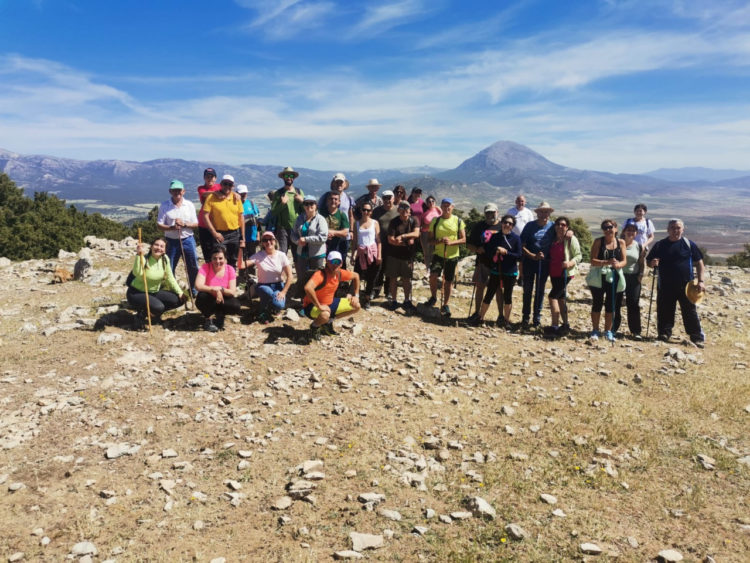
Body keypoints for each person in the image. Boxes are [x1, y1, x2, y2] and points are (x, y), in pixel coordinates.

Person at [646, 218, 706, 347]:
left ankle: (696, 337)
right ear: (668, 230)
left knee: (690, 311)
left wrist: (701, 281)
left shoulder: (689, 244)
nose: (675, 230)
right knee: (664, 310)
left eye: (678, 227)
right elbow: (649, 261)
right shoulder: (660, 245)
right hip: (665, 285)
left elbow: (700, 263)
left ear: (683, 229)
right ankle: (663, 333)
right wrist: (652, 263)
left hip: (687, 286)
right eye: (672, 228)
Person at [471, 213, 522, 327]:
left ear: (512, 226)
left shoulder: (516, 239)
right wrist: (495, 250)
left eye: (510, 223)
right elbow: (488, 251)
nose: (507, 225)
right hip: (496, 270)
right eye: (505, 222)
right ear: (502, 223)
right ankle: (481, 318)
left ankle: (506, 321)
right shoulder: (495, 237)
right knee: (489, 294)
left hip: (510, 271)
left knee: (507, 296)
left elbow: (519, 255)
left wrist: (506, 252)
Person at [126, 237, 186, 329]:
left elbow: (170, 278)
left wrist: (180, 292)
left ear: (165, 250)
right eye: (156, 245)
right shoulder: (144, 258)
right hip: (137, 292)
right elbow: (137, 273)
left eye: (162, 246)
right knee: (159, 307)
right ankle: (140, 316)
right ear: (151, 247)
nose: (159, 248)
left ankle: (153, 314)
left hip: (154, 292)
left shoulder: (165, 259)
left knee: (178, 300)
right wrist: (138, 255)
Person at [303, 251, 361, 340]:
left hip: (330, 303)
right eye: (333, 262)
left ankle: (328, 322)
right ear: (327, 262)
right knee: (325, 314)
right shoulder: (320, 275)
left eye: (338, 262)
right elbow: (308, 288)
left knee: (356, 306)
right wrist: (319, 306)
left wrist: (356, 296)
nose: (335, 265)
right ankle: (314, 327)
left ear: (341, 263)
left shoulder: (339, 273)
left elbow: (356, 276)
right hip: (311, 306)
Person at [424, 198, 466, 317]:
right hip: (438, 254)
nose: (447, 208)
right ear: (441, 207)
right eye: (444, 206)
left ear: (452, 207)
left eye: (449, 206)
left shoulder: (458, 221)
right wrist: (440, 241)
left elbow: (463, 239)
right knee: (433, 275)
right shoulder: (435, 221)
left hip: (452, 256)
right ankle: (433, 297)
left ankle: (446, 304)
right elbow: (429, 240)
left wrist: (451, 243)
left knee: (448, 281)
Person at [156, 179, 199, 294]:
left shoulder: (189, 205)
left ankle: (194, 290)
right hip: (171, 241)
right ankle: (174, 291)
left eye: (179, 190)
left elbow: (196, 224)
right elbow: (159, 225)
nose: (177, 192)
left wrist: (184, 224)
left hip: (188, 239)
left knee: (193, 266)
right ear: (170, 191)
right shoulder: (164, 205)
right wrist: (172, 227)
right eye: (174, 190)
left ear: (183, 191)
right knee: (169, 267)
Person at [588, 219, 627, 342]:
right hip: (599, 276)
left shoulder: (621, 242)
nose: (608, 230)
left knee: (611, 304)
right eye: (605, 228)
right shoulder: (599, 241)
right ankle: (595, 330)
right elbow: (592, 260)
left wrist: (619, 265)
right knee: (597, 302)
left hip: (614, 275)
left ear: (615, 228)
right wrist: (607, 262)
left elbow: (624, 260)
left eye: (610, 227)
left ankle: (608, 331)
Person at [543, 216, 582, 337]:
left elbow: (579, 256)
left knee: (552, 296)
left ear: (567, 227)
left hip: (565, 272)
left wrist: (570, 263)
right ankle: (565, 325)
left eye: (563, 225)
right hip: (554, 272)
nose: (560, 226)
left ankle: (555, 326)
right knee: (561, 298)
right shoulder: (553, 238)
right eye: (558, 224)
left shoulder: (571, 239)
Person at [245, 231, 294, 324]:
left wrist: (284, 292)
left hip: (278, 285)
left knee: (279, 304)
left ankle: (269, 307)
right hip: (263, 285)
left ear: (275, 241)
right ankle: (264, 311)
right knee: (267, 292)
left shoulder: (281, 255)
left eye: (270, 239)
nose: (268, 242)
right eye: (265, 240)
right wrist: (241, 249)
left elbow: (290, 276)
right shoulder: (259, 255)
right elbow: (242, 265)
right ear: (262, 243)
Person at [520, 202, 554, 329]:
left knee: (540, 291)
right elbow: (522, 245)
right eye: (541, 212)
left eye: (546, 212)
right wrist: (532, 256)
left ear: (549, 213)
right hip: (529, 263)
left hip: (544, 265)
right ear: (537, 213)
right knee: (527, 290)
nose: (544, 214)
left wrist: (570, 232)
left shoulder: (553, 226)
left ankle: (536, 318)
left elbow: (561, 237)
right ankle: (525, 317)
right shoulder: (530, 226)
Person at [467, 203, 503, 322]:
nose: (490, 215)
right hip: (482, 261)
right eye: (487, 212)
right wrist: (477, 249)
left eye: (492, 212)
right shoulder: (479, 226)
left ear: (497, 212)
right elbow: (469, 244)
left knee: (498, 289)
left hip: (498, 263)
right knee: (480, 287)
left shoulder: (502, 226)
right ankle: (477, 313)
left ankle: (501, 315)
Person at [201, 175, 245, 269]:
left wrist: (243, 237)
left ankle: (231, 282)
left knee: (233, 260)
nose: (227, 186)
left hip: (234, 233)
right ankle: (218, 282)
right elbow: (205, 216)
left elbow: (241, 218)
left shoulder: (236, 198)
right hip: (219, 234)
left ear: (233, 186)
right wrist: (214, 233)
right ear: (221, 184)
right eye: (225, 183)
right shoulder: (212, 197)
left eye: (230, 184)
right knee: (218, 260)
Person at [194, 245, 242, 332]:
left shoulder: (230, 269)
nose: (217, 261)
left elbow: (232, 291)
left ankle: (220, 313)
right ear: (211, 259)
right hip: (209, 297)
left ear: (225, 259)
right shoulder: (205, 267)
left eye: (220, 258)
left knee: (235, 305)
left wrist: (220, 289)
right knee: (201, 297)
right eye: (214, 258)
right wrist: (213, 290)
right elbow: (198, 285)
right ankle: (208, 319)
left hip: (223, 297)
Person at [612, 221, 645, 339]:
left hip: (633, 277)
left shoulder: (638, 246)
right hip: (618, 275)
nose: (630, 232)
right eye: (628, 230)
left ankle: (636, 331)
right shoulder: (617, 244)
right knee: (615, 303)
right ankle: (613, 328)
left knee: (634, 304)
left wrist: (641, 274)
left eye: (633, 231)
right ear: (624, 232)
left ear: (636, 233)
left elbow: (641, 262)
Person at [291, 195, 329, 294]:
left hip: (317, 254)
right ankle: (303, 298)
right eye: (306, 203)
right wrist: (297, 241)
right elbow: (293, 234)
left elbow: (323, 237)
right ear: (303, 206)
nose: (309, 206)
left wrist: (306, 239)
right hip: (302, 254)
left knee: (317, 277)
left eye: (311, 203)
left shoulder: (321, 219)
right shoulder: (299, 218)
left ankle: (317, 298)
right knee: (302, 276)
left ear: (316, 205)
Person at [386, 201, 420, 312]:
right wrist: (403, 242)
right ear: (398, 210)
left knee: (406, 279)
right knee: (393, 278)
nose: (405, 211)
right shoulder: (394, 222)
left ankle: (406, 300)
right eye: (402, 208)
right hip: (394, 254)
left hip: (407, 255)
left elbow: (416, 234)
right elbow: (390, 239)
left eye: (407, 209)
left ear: (410, 210)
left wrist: (402, 236)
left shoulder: (414, 220)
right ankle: (394, 300)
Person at [319, 173, 355, 265]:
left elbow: (351, 215)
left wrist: (351, 230)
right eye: (337, 182)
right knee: (329, 259)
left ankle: (341, 278)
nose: (339, 184)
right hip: (328, 236)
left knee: (342, 259)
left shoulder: (349, 198)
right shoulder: (326, 196)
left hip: (343, 234)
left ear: (345, 184)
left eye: (341, 182)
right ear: (333, 184)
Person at [352, 202, 381, 309]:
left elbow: (378, 240)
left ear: (371, 212)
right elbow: (354, 240)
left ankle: (367, 298)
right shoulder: (356, 224)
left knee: (371, 277)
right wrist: (352, 255)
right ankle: (356, 297)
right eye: (364, 210)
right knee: (357, 276)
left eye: (368, 210)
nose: (366, 212)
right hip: (360, 253)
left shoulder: (375, 223)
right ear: (361, 211)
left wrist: (379, 255)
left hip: (372, 253)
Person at [271, 166, 305, 256]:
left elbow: (306, 210)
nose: (289, 178)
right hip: (282, 229)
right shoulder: (278, 194)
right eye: (286, 176)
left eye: (290, 175)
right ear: (283, 178)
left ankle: (298, 270)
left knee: (298, 254)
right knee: (282, 255)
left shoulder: (299, 192)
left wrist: (302, 202)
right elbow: (273, 212)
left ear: (293, 177)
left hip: (297, 228)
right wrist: (282, 204)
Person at [372, 189, 398, 300]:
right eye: (385, 198)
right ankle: (376, 290)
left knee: (390, 268)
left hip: (393, 244)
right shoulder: (377, 211)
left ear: (393, 198)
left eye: (389, 198)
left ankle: (388, 291)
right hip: (379, 243)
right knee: (379, 268)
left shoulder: (398, 210)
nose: (387, 200)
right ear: (382, 199)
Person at [507, 195, 535, 285]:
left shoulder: (528, 213)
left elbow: (532, 226)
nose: (521, 203)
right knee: (512, 258)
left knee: (522, 260)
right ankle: (511, 276)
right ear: (516, 202)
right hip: (512, 239)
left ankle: (521, 278)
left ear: (525, 202)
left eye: (522, 201)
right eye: (519, 201)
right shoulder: (510, 212)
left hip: (524, 240)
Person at [321, 191, 351, 268]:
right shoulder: (320, 213)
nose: (333, 201)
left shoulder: (342, 215)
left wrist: (331, 232)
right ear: (327, 201)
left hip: (338, 244)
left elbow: (345, 232)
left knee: (339, 264)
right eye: (331, 199)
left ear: (339, 202)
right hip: (323, 244)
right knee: (327, 264)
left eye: (336, 199)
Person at [196, 168, 221, 261]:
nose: (209, 178)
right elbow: (205, 194)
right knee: (207, 251)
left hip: (217, 224)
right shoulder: (201, 188)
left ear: (215, 178)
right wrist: (217, 193)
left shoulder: (220, 186)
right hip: (204, 225)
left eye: (212, 176)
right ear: (204, 178)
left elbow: (229, 191)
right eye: (207, 176)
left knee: (218, 250)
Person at [237, 184, 261, 258]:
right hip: (240, 238)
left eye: (244, 193)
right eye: (241, 194)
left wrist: (258, 235)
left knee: (252, 259)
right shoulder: (234, 205)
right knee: (242, 259)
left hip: (252, 238)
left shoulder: (252, 204)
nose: (243, 195)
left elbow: (257, 221)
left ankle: (251, 270)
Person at [419, 195, 441, 269]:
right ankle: (428, 269)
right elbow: (421, 224)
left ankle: (434, 268)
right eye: (429, 201)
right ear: (427, 203)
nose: (431, 203)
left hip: (436, 234)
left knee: (435, 251)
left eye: (432, 201)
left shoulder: (438, 211)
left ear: (435, 202)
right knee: (427, 253)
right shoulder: (425, 213)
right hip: (425, 234)